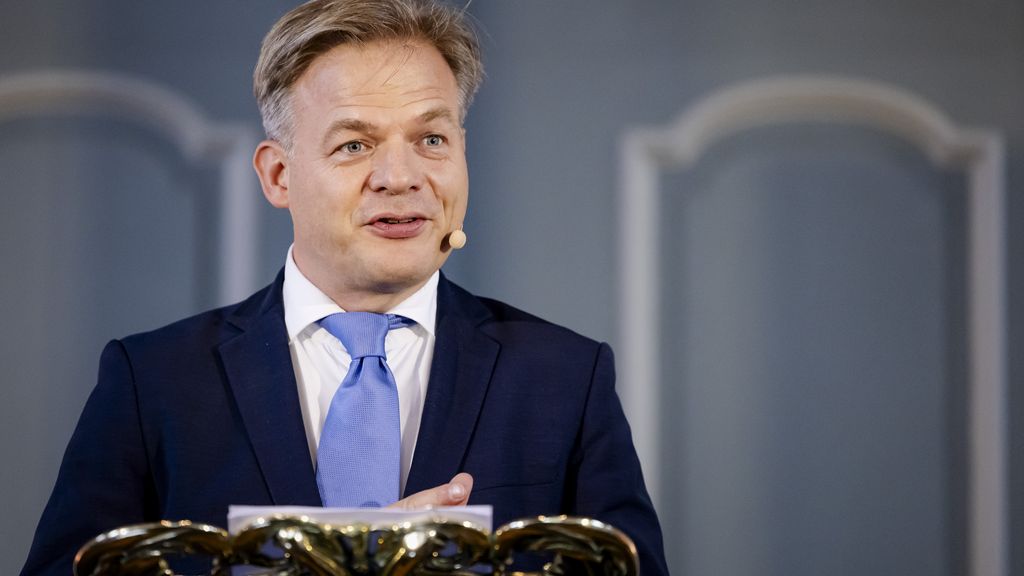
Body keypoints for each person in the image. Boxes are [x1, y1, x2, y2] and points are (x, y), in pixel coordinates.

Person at [21, 1, 668, 574]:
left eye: (431, 138)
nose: (400, 176)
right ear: (278, 175)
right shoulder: (153, 380)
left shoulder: (565, 377)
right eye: (355, 145)